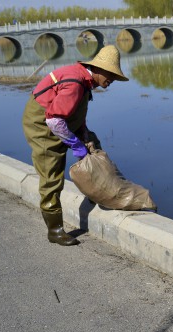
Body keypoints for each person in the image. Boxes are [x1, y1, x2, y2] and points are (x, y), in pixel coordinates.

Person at [22, 45, 129, 246]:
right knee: (51, 172)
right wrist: (74, 144)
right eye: (111, 76)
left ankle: (98, 189)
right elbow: (54, 120)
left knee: (92, 143)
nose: (112, 81)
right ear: (99, 69)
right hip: (42, 125)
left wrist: (84, 135)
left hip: (60, 120)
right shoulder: (75, 82)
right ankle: (54, 230)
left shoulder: (85, 81)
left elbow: (75, 112)